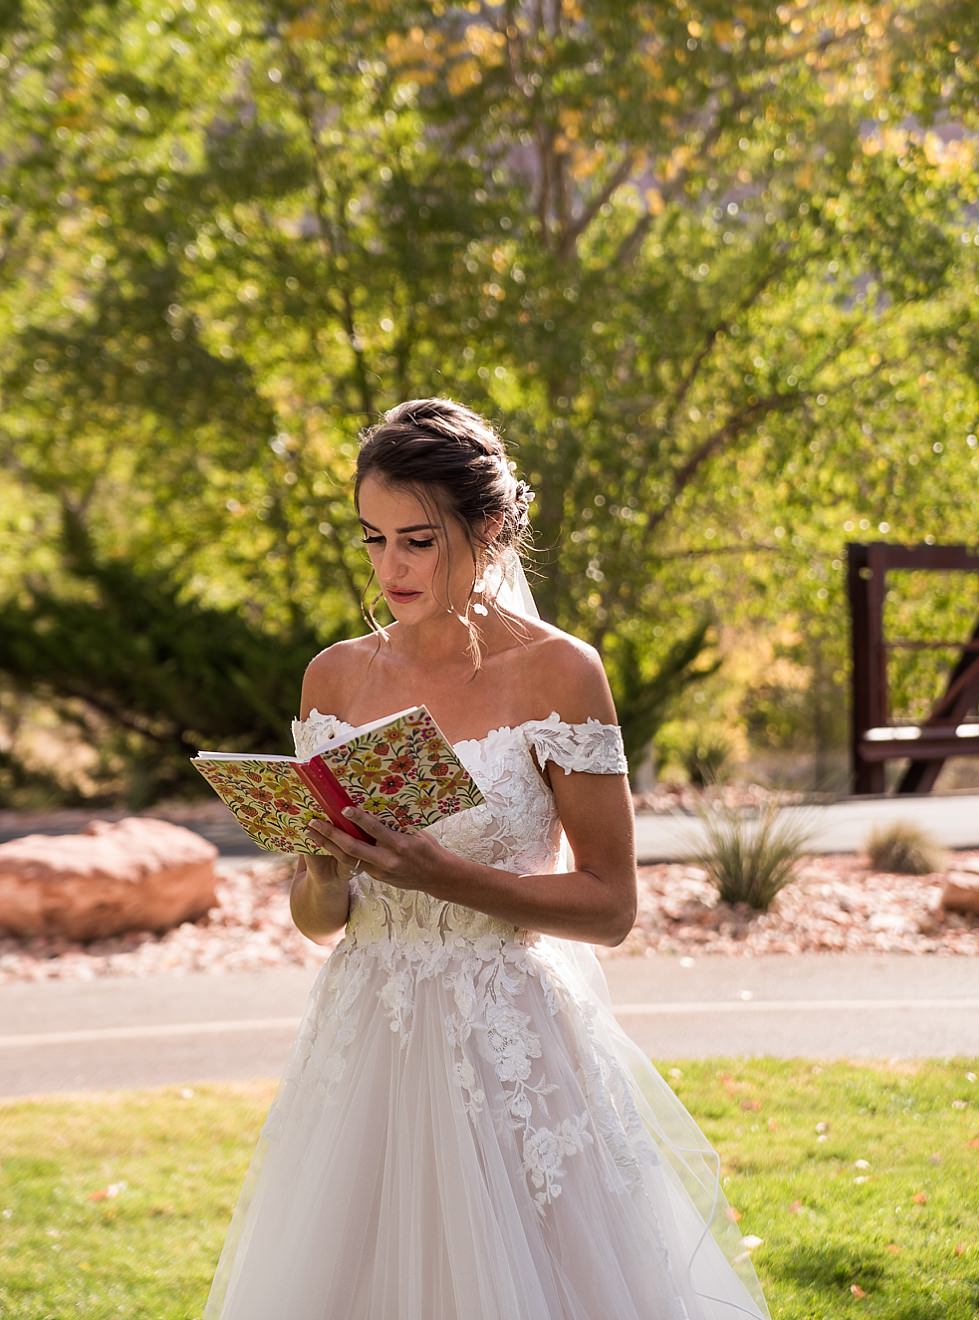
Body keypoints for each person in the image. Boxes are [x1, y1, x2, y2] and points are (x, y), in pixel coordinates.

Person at [205, 398, 771, 1320]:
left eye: (418, 541)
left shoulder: (560, 673)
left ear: (490, 527)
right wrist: (324, 869)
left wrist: (445, 876)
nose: (390, 568)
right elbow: (317, 924)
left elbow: (611, 907)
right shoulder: (333, 677)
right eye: (373, 539)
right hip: (366, 1037)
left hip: (509, 1039)